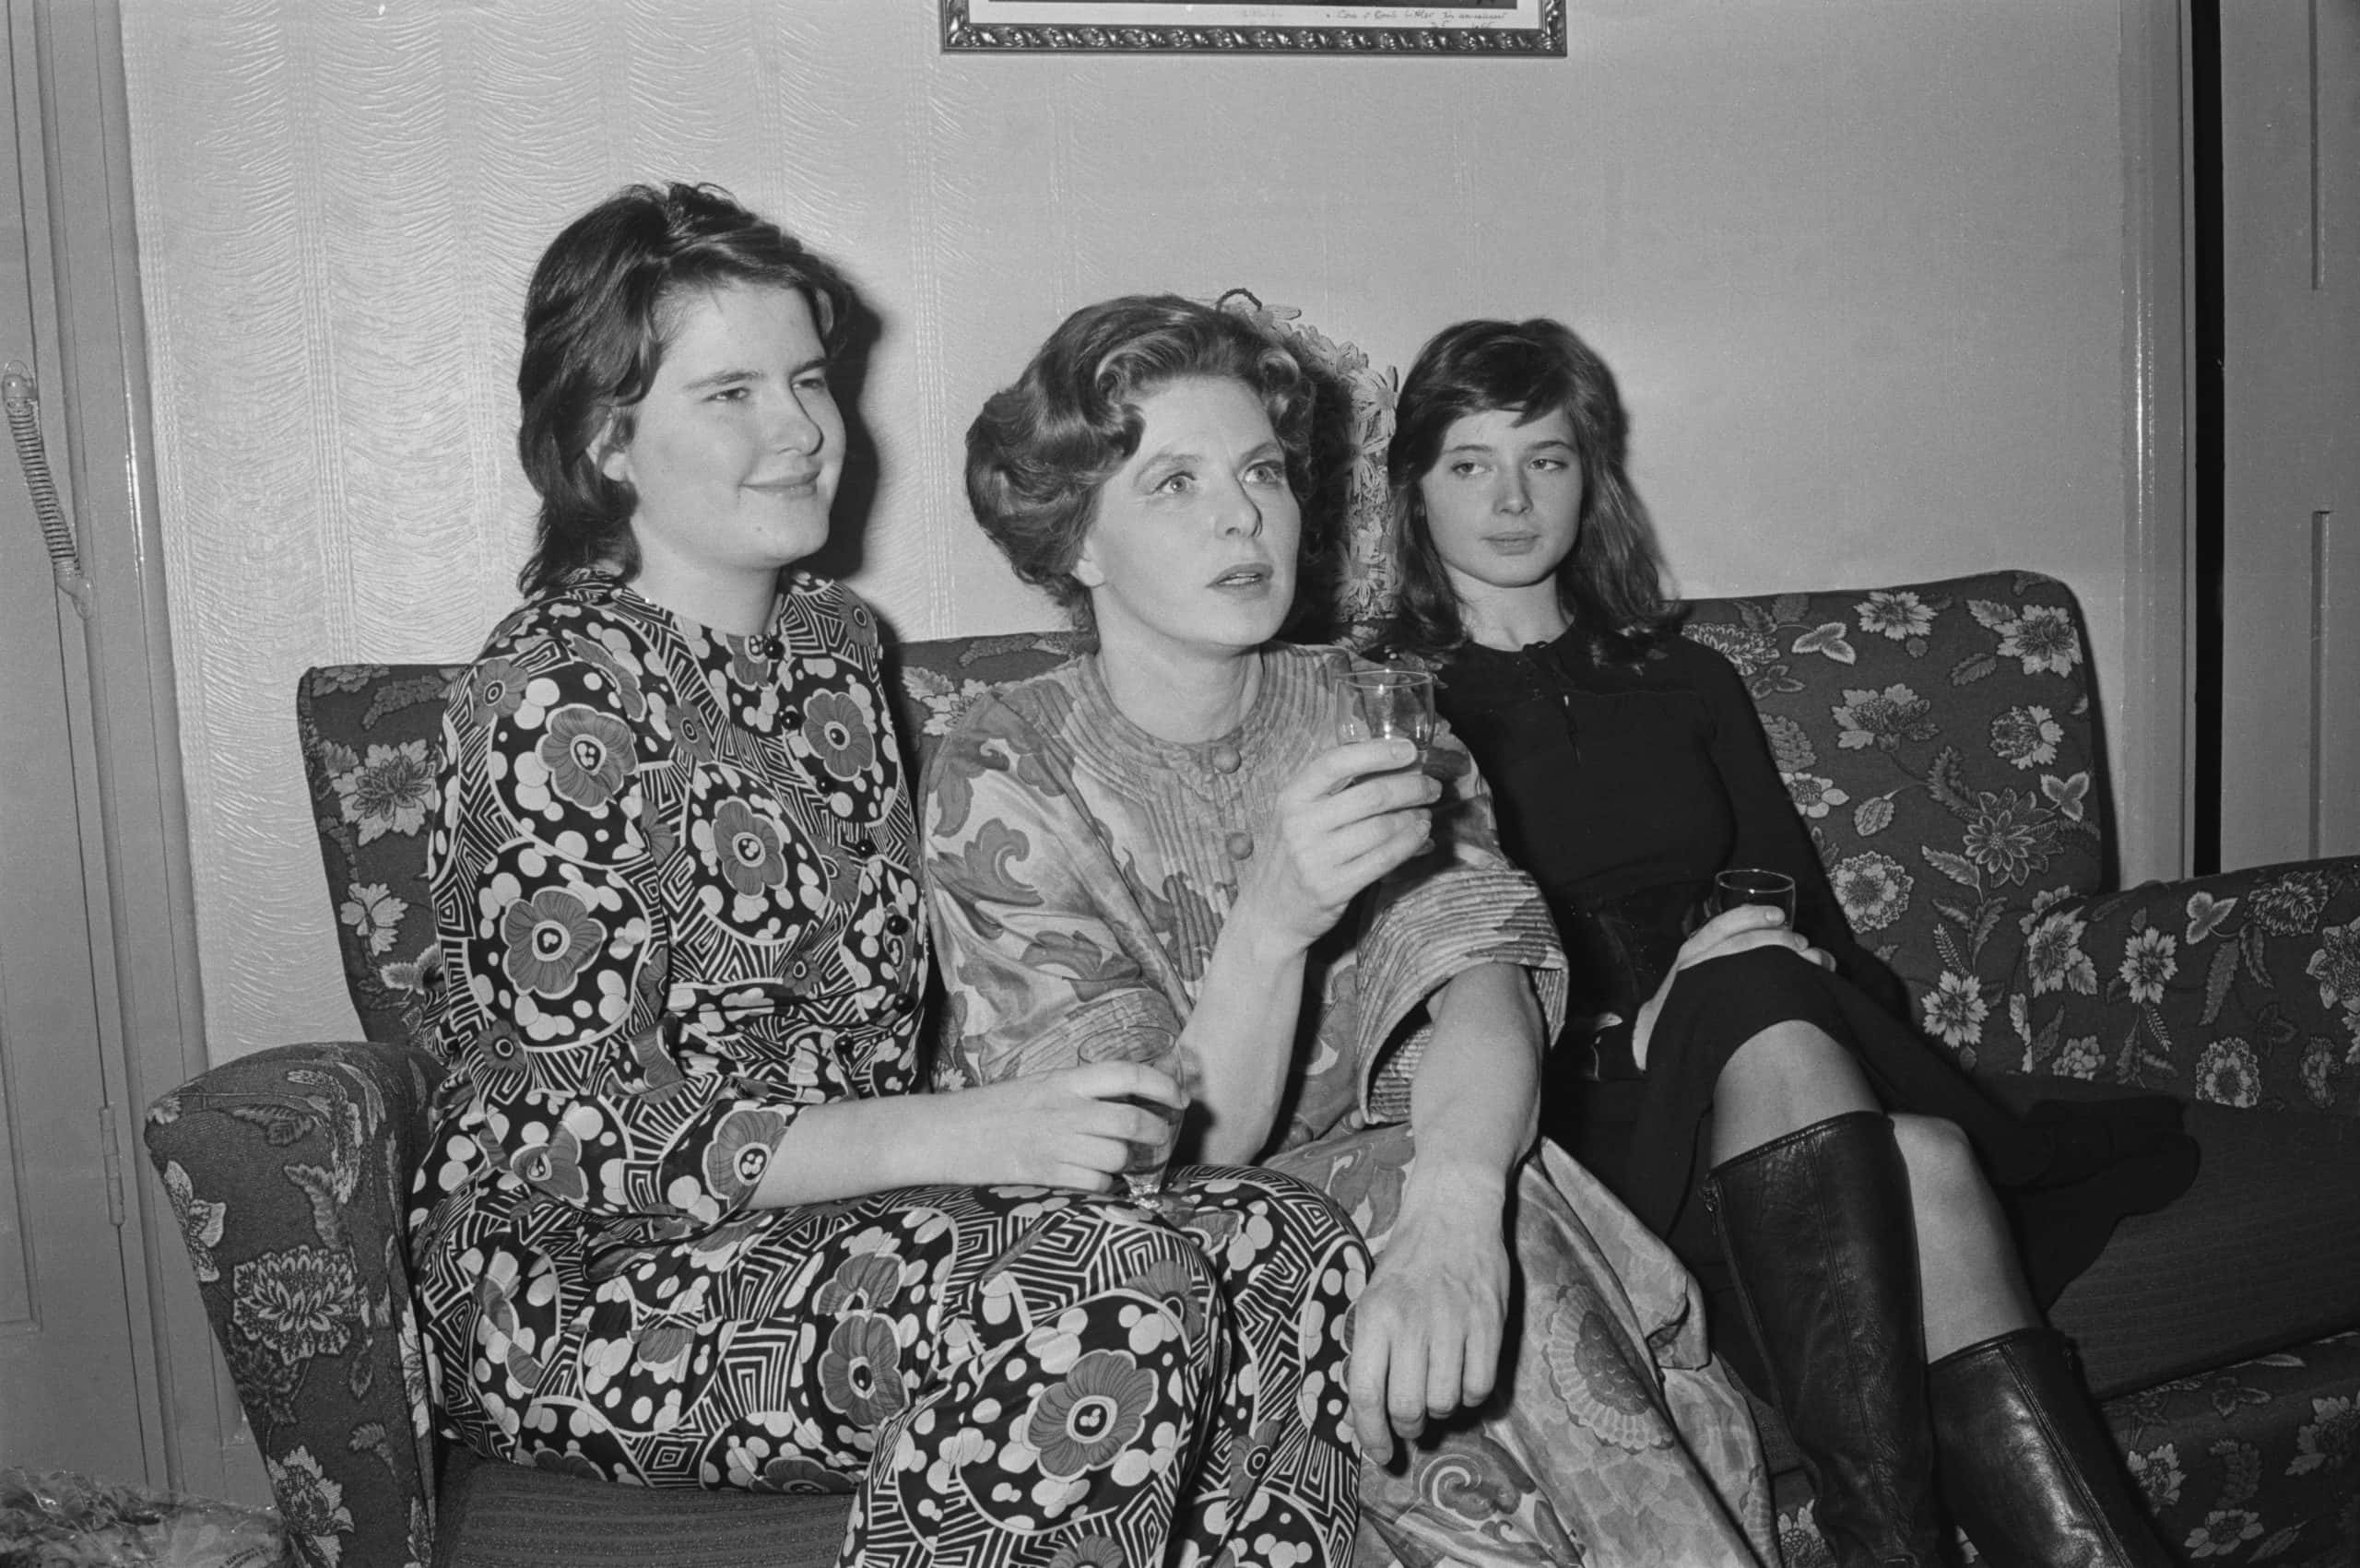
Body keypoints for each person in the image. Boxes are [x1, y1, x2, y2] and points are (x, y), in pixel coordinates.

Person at [408, 183, 1371, 1568]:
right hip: (571, 1282)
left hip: (820, 1228)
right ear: (608, 436)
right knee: (1110, 1287)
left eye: (807, 379)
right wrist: (970, 1136)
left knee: (1289, 1239)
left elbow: (871, 1042)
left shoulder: (832, 651)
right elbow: (581, 1131)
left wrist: (1016, 1129)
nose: (802, 428)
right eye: (731, 391)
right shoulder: (550, 692)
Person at [926, 294, 1778, 1568]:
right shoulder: (998, 765)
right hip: (1143, 1286)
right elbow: (1153, 1156)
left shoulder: (1365, 704)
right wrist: (1273, 921)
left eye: (1263, 470)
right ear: (1078, 541)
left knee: (1492, 1211)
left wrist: (1453, 1203)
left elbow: (1483, 982)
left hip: (1413, 1226)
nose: (1243, 515)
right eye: (1174, 483)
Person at [1378, 316, 2199, 1568]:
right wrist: (1637, 1016)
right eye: (1470, 463)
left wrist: (1788, 970)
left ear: (1588, 476)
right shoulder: (1394, 702)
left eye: (1544, 460)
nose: (1510, 498)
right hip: (1567, 1102)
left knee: (1906, 1138)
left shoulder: (1687, 677)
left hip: (1770, 1066)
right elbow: (1419, 982)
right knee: (1902, 1135)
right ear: (1414, 488)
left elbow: (1810, 915)